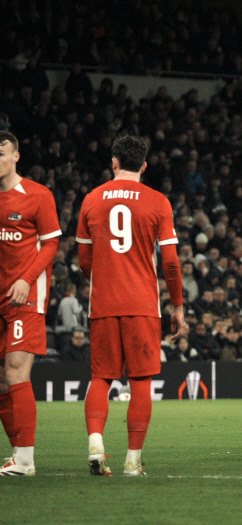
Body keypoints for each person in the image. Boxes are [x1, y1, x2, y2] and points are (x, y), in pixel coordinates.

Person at [77, 135, 187, 476]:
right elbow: (170, 262)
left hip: (104, 303)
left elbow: (84, 260)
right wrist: (178, 305)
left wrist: (105, 278)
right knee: (140, 382)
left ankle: (96, 442)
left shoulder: (92, 200)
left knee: (101, 378)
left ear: (113, 163)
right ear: (143, 165)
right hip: (142, 304)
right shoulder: (157, 201)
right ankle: (132, 461)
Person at [0, 131, 61, 476]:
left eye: (2, 153)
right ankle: (16, 454)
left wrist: (25, 279)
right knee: (0, 381)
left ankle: (25, 460)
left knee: (15, 372)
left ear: (16, 157)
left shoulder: (38, 195)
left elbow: (51, 244)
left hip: (26, 297)